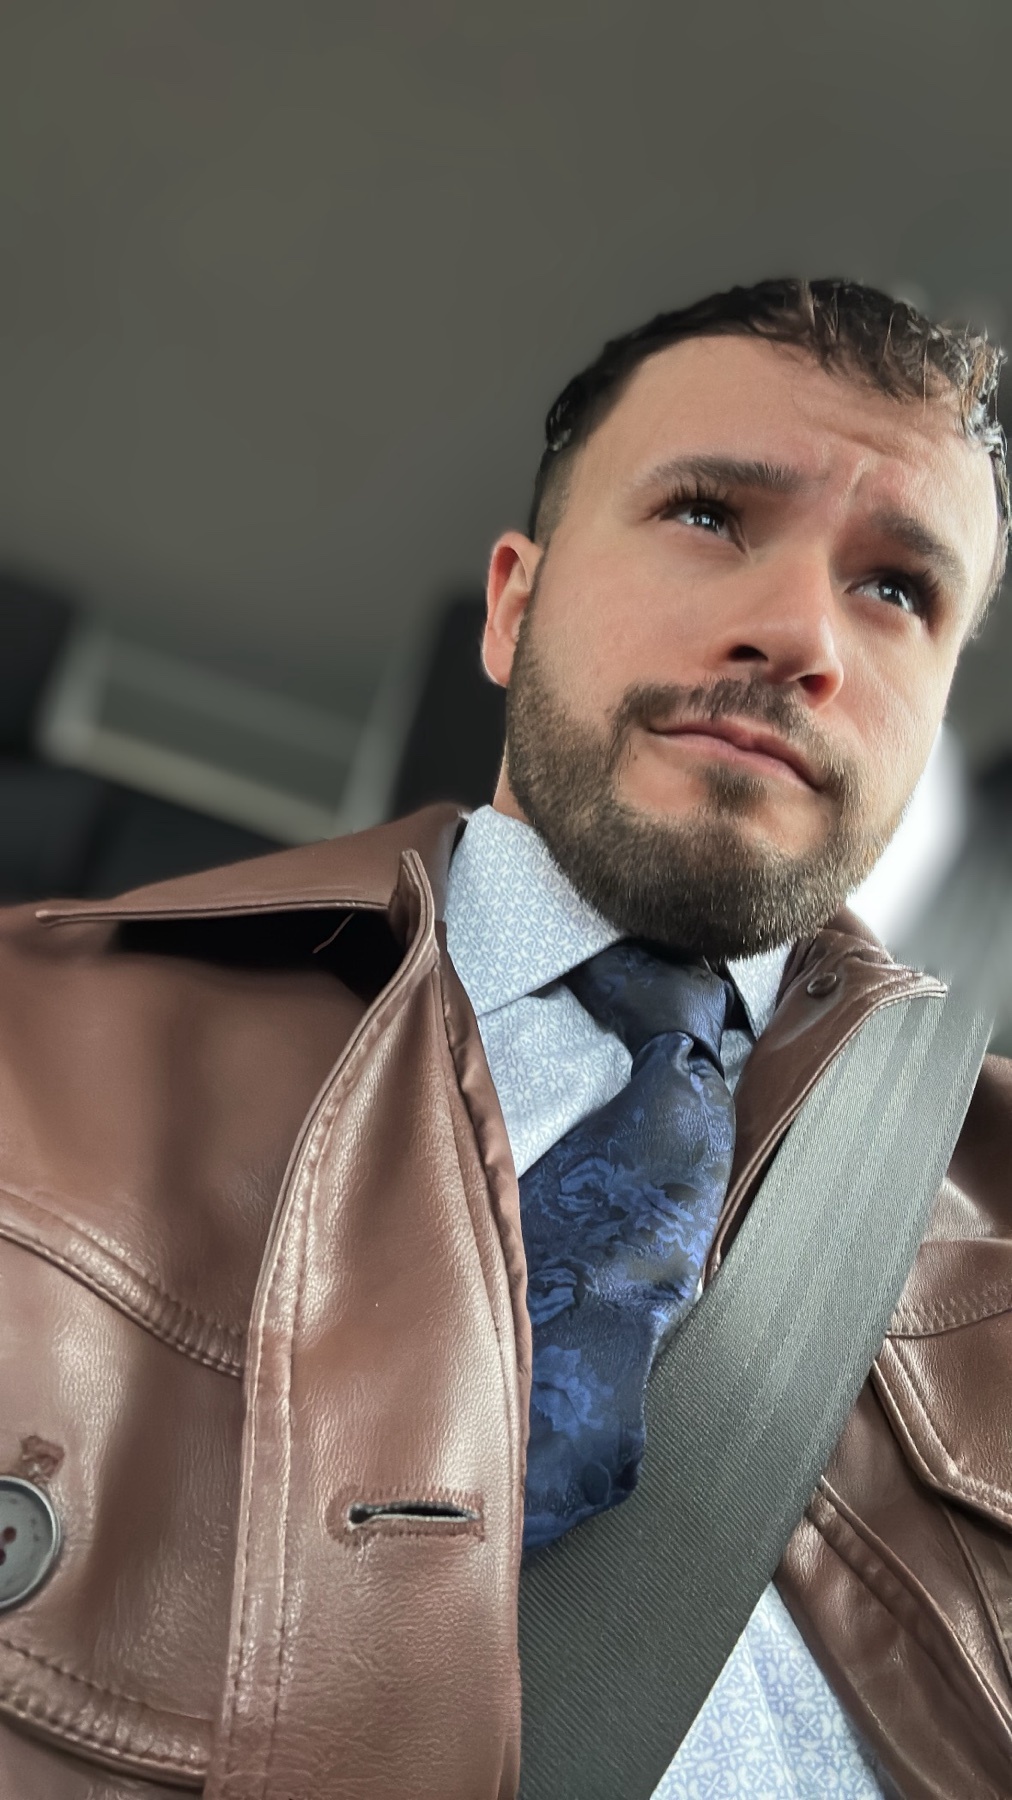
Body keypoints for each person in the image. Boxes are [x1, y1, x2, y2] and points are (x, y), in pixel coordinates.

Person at [0, 278, 1007, 1800]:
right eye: (709, 515)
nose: (803, 632)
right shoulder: (31, 1033)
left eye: (897, 592)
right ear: (513, 606)